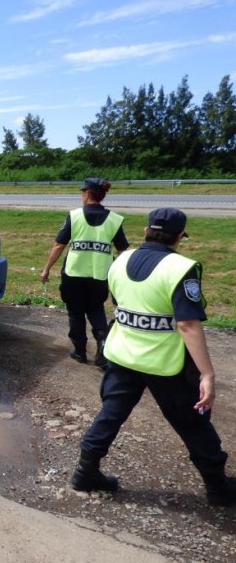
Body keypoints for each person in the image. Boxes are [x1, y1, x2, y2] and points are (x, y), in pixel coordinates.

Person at [71, 208, 236, 507]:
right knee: (193, 424)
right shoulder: (181, 268)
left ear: (146, 231)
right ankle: (217, 487)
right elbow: (187, 324)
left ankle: (86, 471)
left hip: (123, 355)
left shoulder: (120, 260)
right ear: (179, 236)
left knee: (111, 414)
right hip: (165, 364)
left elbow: (120, 301)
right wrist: (207, 374)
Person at [41, 177, 129, 366]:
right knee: (96, 309)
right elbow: (123, 250)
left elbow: (59, 245)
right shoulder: (114, 220)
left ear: (88, 193)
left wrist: (47, 269)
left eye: (83, 192)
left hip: (73, 274)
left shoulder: (74, 216)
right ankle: (103, 343)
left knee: (75, 312)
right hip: (100, 275)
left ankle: (80, 351)